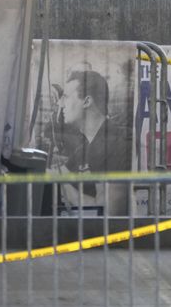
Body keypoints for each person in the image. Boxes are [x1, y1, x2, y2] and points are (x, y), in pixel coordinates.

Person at [55, 68, 129, 214]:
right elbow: (59, 172)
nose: (60, 104)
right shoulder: (87, 146)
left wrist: (63, 185)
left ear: (87, 101)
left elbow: (109, 211)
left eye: (66, 97)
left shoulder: (119, 144)